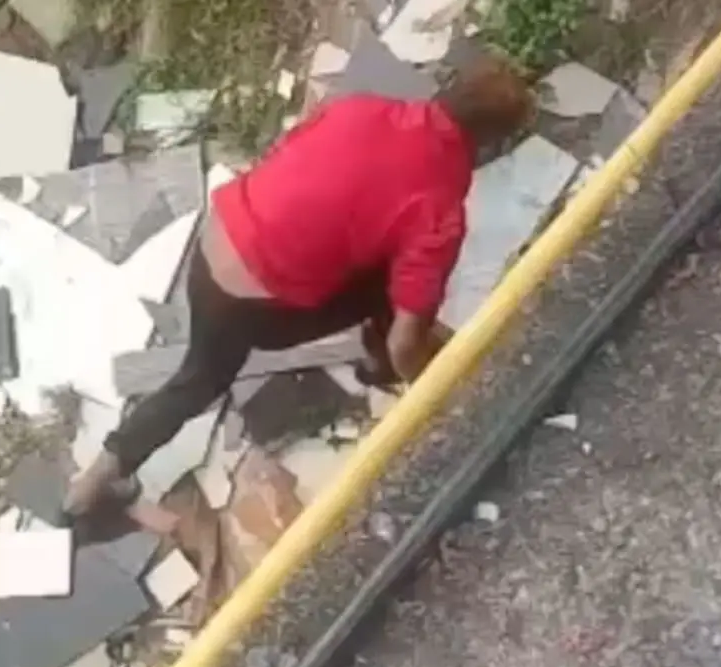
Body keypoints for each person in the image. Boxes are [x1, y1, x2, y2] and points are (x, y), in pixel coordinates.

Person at [65, 55, 534, 517]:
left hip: (215, 241)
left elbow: (291, 156)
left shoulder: (360, 108)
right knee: (206, 378)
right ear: (489, 143)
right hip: (252, 305)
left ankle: (100, 473)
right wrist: (436, 390)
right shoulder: (439, 207)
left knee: (196, 375)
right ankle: (378, 364)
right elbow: (407, 340)